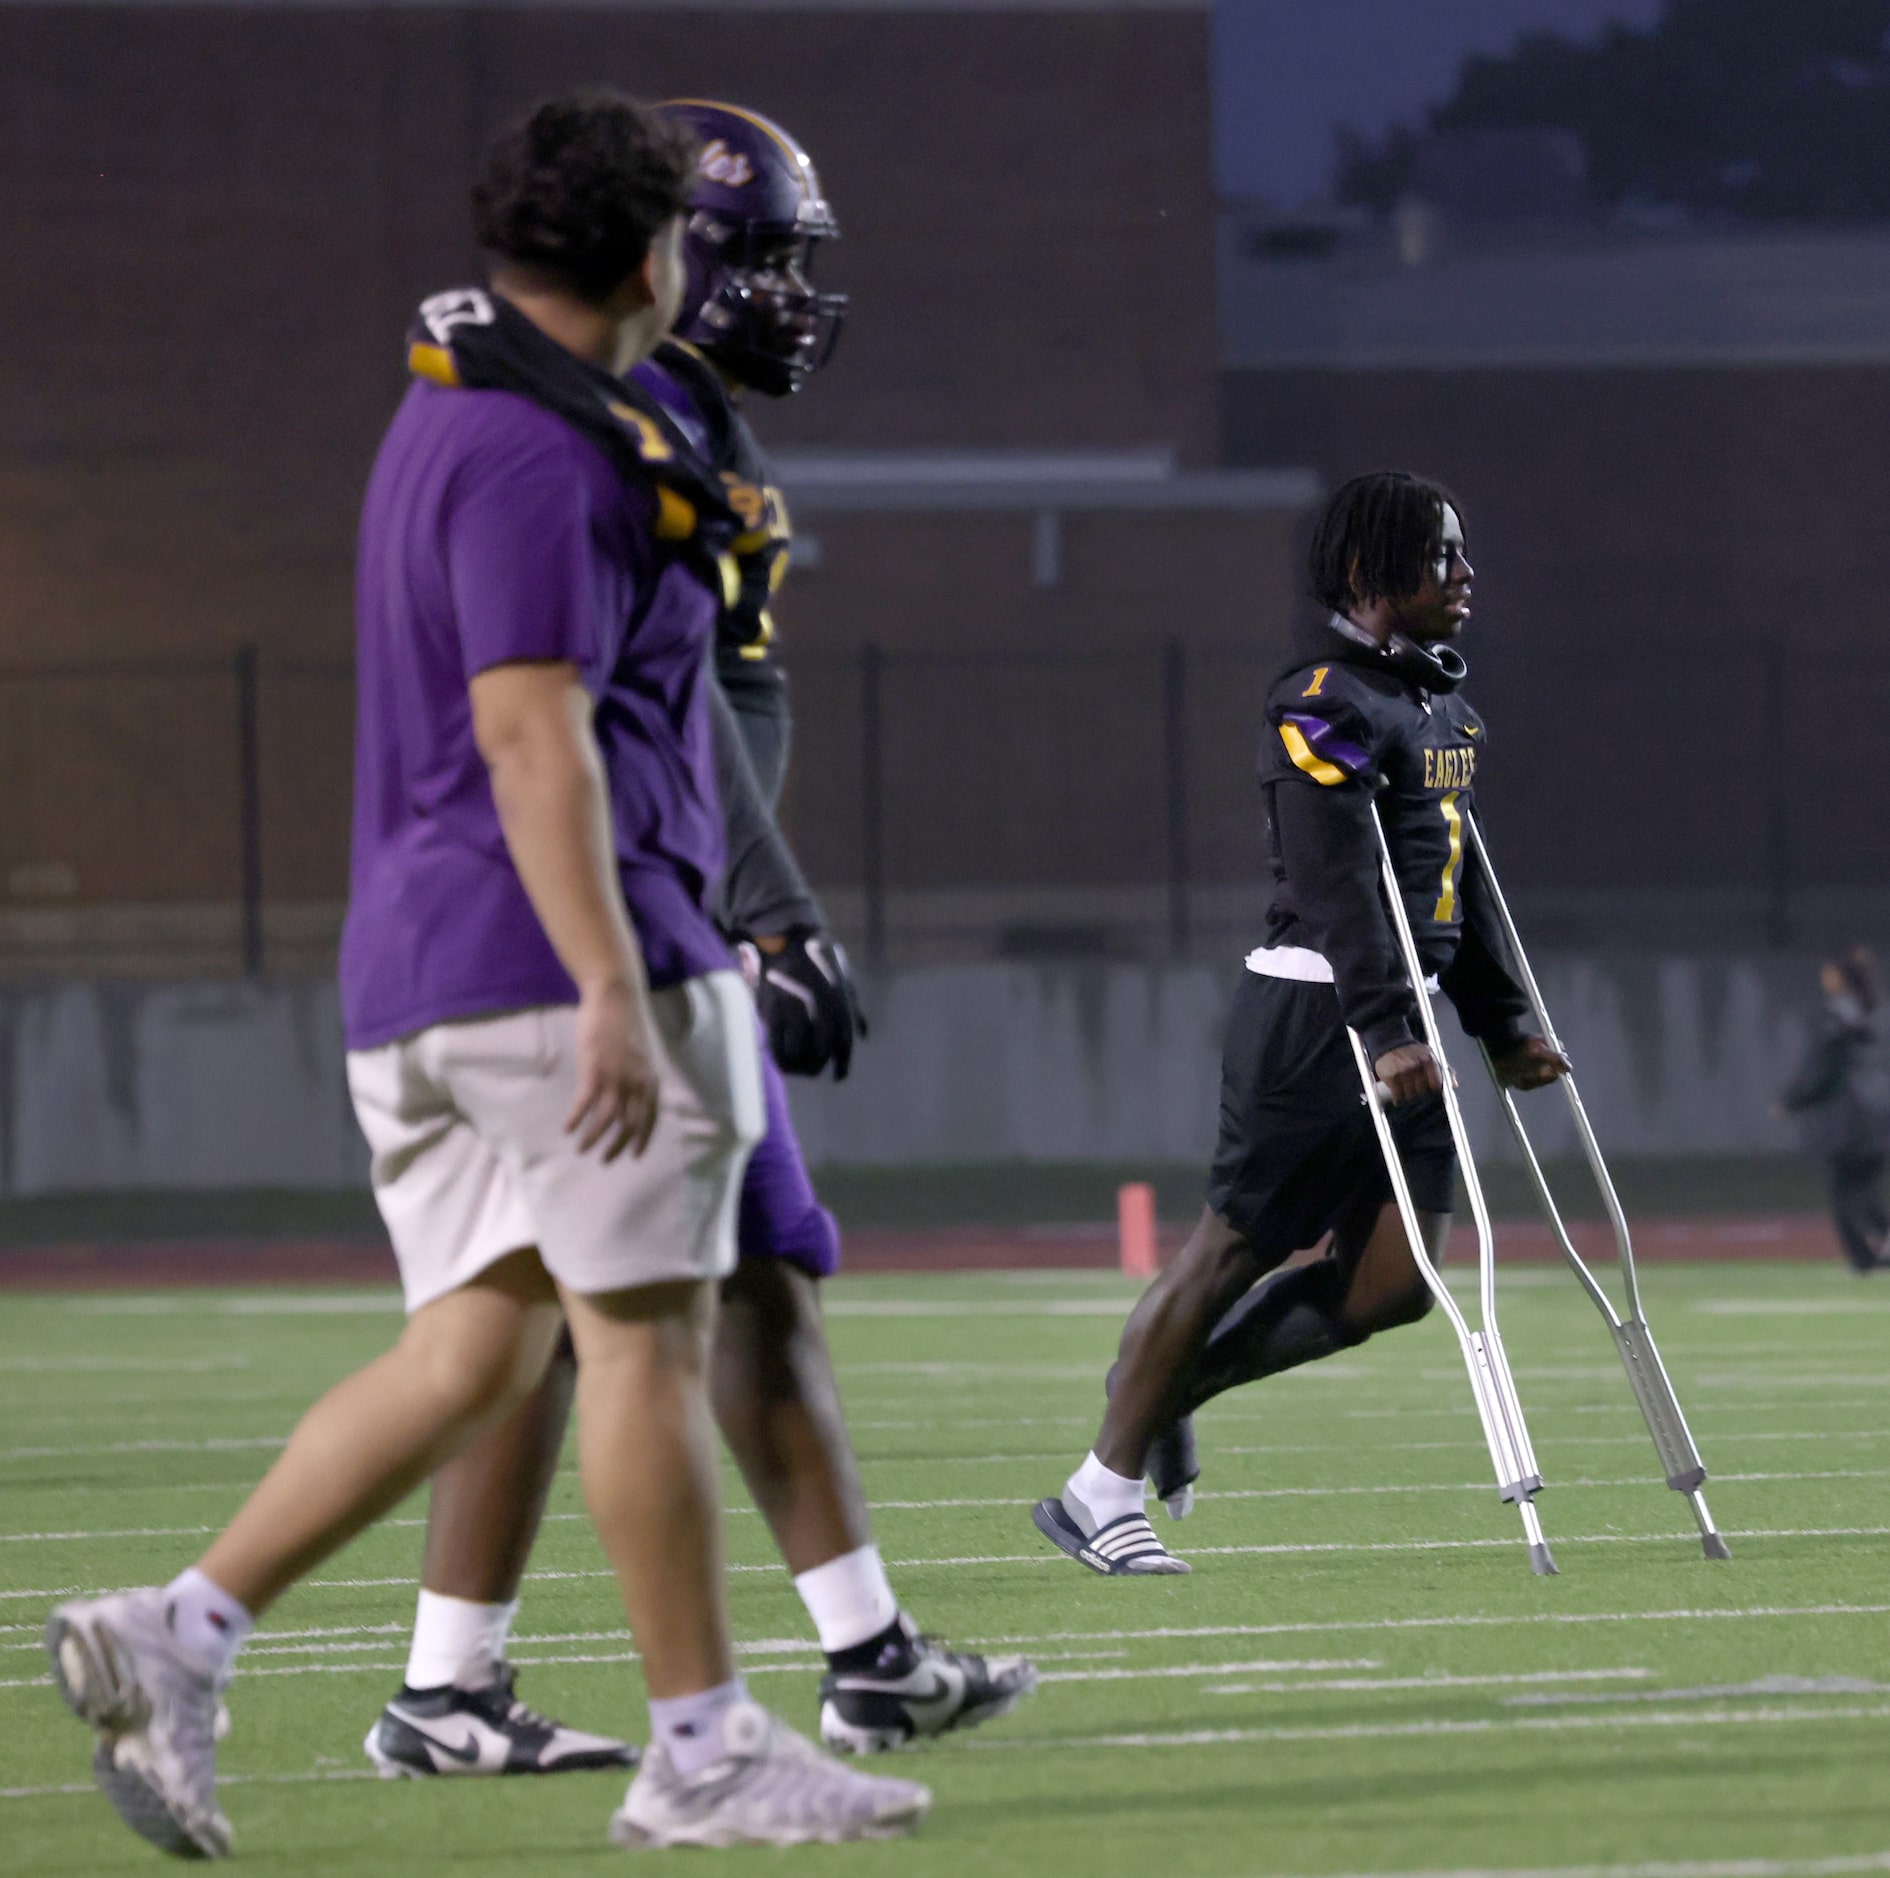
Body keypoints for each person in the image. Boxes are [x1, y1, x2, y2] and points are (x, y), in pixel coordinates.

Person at [43, 91, 931, 1855]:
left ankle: (180, 1633)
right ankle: (705, 1745)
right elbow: (535, 736)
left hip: (426, 960)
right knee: (645, 1351)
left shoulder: (462, 417)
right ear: (652, 250)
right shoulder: (545, 451)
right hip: (552, 954)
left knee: (476, 1346)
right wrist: (612, 978)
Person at [362, 97, 1034, 1780]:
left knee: (589, 1305)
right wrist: (763, 912)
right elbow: (644, 711)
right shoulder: (617, 418)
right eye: (775, 260)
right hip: (628, 933)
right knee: (705, 1296)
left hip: (624, 920)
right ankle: (794, 1691)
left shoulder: (648, 411)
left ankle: (452, 1679)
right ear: (679, 254)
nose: (801, 296)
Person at [1031, 470, 1569, 1576]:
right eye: (1441, 556)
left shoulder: (1438, 707)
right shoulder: (1320, 700)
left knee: (1394, 1285)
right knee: (1233, 1248)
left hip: (1405, 1014)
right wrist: (1384, 1031)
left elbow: (1448, 890)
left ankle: (1176, 1383)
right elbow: (1338, 888)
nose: (1466, 576)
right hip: (1322, 1012)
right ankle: (1100, 1492)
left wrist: (1502, 1021)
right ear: (1372, 574)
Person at [1780, 945, 1890, 1273]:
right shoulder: (1875, 1013)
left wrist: (1793, 1101)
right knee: (1864, 1189)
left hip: (1850, 1123)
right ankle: (1879, 1247)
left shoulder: (1837, 1017)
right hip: (1879, 1117)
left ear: (1841, 976)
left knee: (1842, 1192)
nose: (1824, 977)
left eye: (1829, 971)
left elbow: (1824, 1069)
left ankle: (1862, 1258)